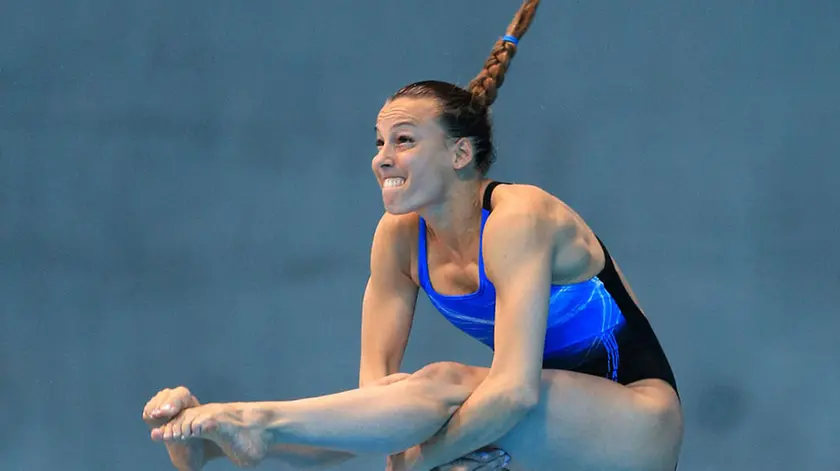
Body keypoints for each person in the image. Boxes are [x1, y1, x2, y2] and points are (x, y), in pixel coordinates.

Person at [142, 1, 684, 470]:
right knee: (400, 400)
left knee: (446, 381)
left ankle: (255, 420)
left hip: (637, 423)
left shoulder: (519, 217)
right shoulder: (399, 240)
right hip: (554, 419)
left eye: (404, 140)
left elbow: (515, 390)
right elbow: (369, 411)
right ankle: (222, 446)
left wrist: (422, 462)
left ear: (459, 153)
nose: (382, 159)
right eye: (379, 142)